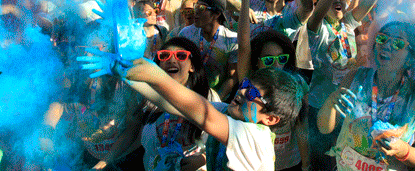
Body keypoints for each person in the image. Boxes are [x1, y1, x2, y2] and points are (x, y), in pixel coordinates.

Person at [125, 60, 305, 171]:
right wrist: (127, 74)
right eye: (245, 84)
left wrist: (157, 76)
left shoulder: (257, 138)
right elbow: (174, 106)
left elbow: (205, 115)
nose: (241, 91)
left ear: (270, 119)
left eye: (251, 93)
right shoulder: (227, 112)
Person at [317, 21, 415, 171]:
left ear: (411, 58)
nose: (386, 45)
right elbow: (324, 129)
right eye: (382, 39)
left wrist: (403, 150)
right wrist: (331, 102)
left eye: (398, 43)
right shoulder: (355, 77)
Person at [91, 37, 212, 171]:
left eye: (181, 56)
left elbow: (223, 142)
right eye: (165, 56)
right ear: (158, 64)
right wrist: (102, 164)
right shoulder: (147, 97)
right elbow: (131, 132)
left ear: (192, 66)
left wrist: (203, 159)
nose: (172, 60)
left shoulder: (207, 98)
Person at [235, 0, 309, 171]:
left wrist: (307, 165)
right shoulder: (249, 83)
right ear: (257, 63)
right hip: (254, 165)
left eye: (282, 59)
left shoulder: (297, 84)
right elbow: (244, 46)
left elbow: (301, 125)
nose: (276, 64)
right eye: (268, 60)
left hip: (289, 164)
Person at [306, 0, 381, 170]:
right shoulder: (317, 29)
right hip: (320, 106)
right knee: (323, 161)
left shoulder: (347, 24)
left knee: (345, 158)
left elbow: (368, 2)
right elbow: (317, 13)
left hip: (347, 107)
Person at [179, 0, 238, 100]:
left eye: (201, 8)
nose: (195, 11)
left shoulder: (231, 40)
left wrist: (216, 100)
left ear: (217, 14)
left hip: (217, 99)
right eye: (196, 6)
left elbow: (233, 77)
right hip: (189, 96)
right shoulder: (186, 34)